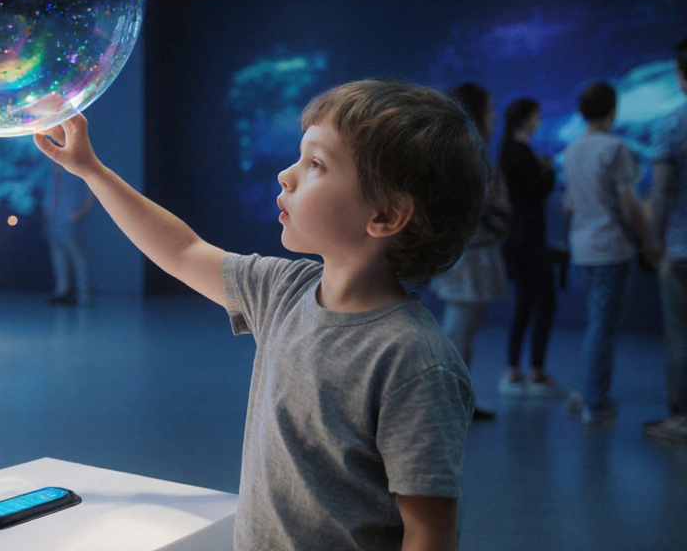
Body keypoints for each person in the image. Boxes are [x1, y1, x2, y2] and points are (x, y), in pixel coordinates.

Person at [36, 80, 481, 550]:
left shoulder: (415, 362)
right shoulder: (282, 292)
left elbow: (429, 533)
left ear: (387, 216)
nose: (285, 176)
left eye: (316, 164)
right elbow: (183, 250)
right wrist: (91, 170)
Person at [562, 81, 659, 427]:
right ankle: (595, 401)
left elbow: (568, 203)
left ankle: (587, 391)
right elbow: (629, 203)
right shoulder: (615, 148)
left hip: (582, 248)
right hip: (611, 248)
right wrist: (648, 239)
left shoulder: (572, 150)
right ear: (613, 111)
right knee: (603, 327)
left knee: (594, 324)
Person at [431, 83, 511, 421]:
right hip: (469, 253)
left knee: (463, 328)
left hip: (473, 251)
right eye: (489, 108)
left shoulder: (467, 149)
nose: (494, 116)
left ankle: (456, 398)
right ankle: (446, 400)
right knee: (458, 329)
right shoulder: (466, 150)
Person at [498, 98, 568, 398]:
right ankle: (535, 371)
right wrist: (549, 172)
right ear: (526, 119)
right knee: (544, 303)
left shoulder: (509, 151)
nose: (539, 120)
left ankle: (515, 369)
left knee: (525, 304)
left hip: (520, 238)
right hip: (529, 240)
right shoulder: (519, 152)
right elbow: (535, 191)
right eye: (536, 115)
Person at [645, 37, 687, 444]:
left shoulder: (673, 123)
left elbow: (660, 190)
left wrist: (652, 239)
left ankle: (682, 417)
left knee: (679, 334)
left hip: (680, 247)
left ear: (680, 74)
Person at [43, 162, 94, 305]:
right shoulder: (51, 173)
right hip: (53, 221)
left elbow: (91, 194)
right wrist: (47, 212)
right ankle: (62, 290)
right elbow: (50, 194)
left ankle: (83, 293)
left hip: (69, 221)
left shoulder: (75, 171)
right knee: (58, 256)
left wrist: (79, 213)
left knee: (77, 256)